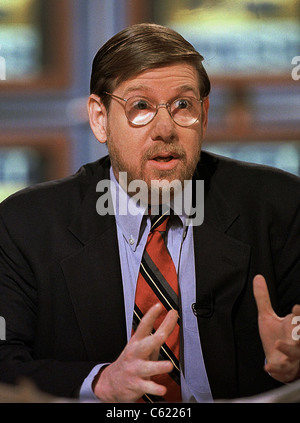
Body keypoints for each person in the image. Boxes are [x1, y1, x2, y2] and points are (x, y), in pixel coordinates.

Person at [0, 23, 299, 403]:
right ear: (99, 119)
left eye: (183, 106)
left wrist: (295, 360)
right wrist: (100, 382)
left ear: (204, 116)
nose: (164, 129)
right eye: (140, 107)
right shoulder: (25, 225)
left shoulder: (280, 205)